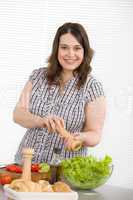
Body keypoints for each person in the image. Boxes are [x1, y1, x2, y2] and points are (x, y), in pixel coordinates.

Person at [13, 22, 106, 164]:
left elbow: (95, 134)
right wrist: (41, 121)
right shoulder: (38, 76)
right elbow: (18, 114)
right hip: (26, 164)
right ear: (57, 49)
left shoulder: (92, 87)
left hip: (64, 170)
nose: (70, 54)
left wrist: (80, 137)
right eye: (64, 48)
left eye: (77, 48)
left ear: (84, 52)